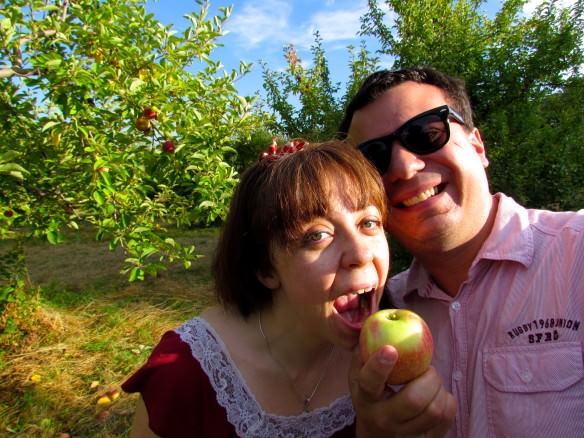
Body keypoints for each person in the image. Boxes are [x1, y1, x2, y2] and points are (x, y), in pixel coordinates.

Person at [122, 139, 455, 437]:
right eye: (317, 235)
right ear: (265, 268)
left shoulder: (393, 365)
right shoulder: (186, 374)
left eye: (368, 223)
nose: (360, 254)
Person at [338, 66, 584, 437]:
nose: (404, 167)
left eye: (426, 133)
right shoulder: (380, 307)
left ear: (477, 145)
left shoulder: (576, 254)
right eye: (375, 158)